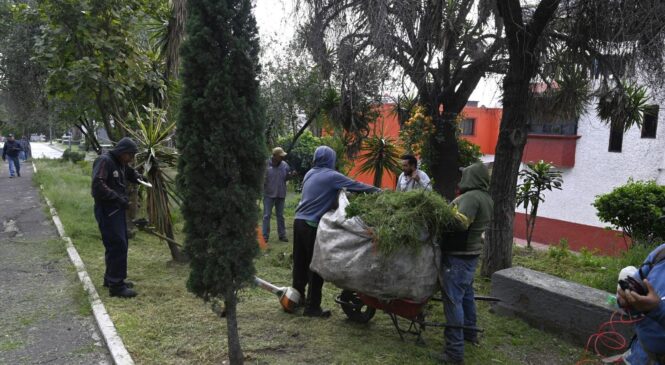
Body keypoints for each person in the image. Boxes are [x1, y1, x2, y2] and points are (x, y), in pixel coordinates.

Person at [292, 145, 381, 317]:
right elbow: (356, 185)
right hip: (311, 224)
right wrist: (380, 191)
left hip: (298, 221)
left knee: (300, 262)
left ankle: (296, 298)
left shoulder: (310, 173)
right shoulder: (331, 176)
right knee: (316, 266)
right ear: (330, 159)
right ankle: (312, 307)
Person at [438, 162, 493, 364]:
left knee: (453, 302)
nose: (462, 179)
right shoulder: (485, 197)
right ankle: (470, 332)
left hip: (459, 256)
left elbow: (460, 224)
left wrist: (443, 214)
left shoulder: (470, 198)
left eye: (464, 176)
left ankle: (454, 352)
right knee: (467, 296)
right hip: (470, 255)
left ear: (472, 178)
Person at [91, 137, 144, 298]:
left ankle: (111, 278)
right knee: (118, 245)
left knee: (117, 244)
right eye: (130, 155)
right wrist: (117, 198)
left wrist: (138, 177)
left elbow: (127, 171)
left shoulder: (119, 163)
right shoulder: (104, 161)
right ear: (122, 152)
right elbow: (98, 185)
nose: (132, 159)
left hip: (116, 210)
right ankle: (116, 286)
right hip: (108, 210)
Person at [617, 243, 665, 365]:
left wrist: (656, 310)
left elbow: (654, 309)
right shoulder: (661, 252)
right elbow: (636, 283)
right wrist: (626, 300)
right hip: (640, 355)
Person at [263, 147, 293, 242]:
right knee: (266, 215)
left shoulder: (285, 165)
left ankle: (282, 235)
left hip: (280, 194)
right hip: (269, 194)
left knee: (280, 216)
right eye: (281, 156)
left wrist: (291, 175)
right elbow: (262, 178)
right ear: (274, 156)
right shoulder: (266, 164)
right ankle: (265, 236)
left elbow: (286, 178)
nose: (282, 158)